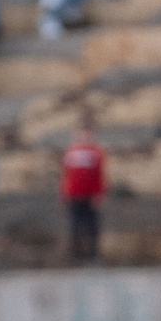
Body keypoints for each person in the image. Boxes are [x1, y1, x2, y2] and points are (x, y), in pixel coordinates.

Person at [62, 110, 104, 263]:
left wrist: (98, 194)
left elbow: (99, 176)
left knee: (92, 226)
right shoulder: (71, 152)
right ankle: (76, 253)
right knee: (75, 226)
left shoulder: (96, 153)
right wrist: (65, 193)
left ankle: (93, 254)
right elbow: (67, 175)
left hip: (90, 196)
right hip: (74, 195)